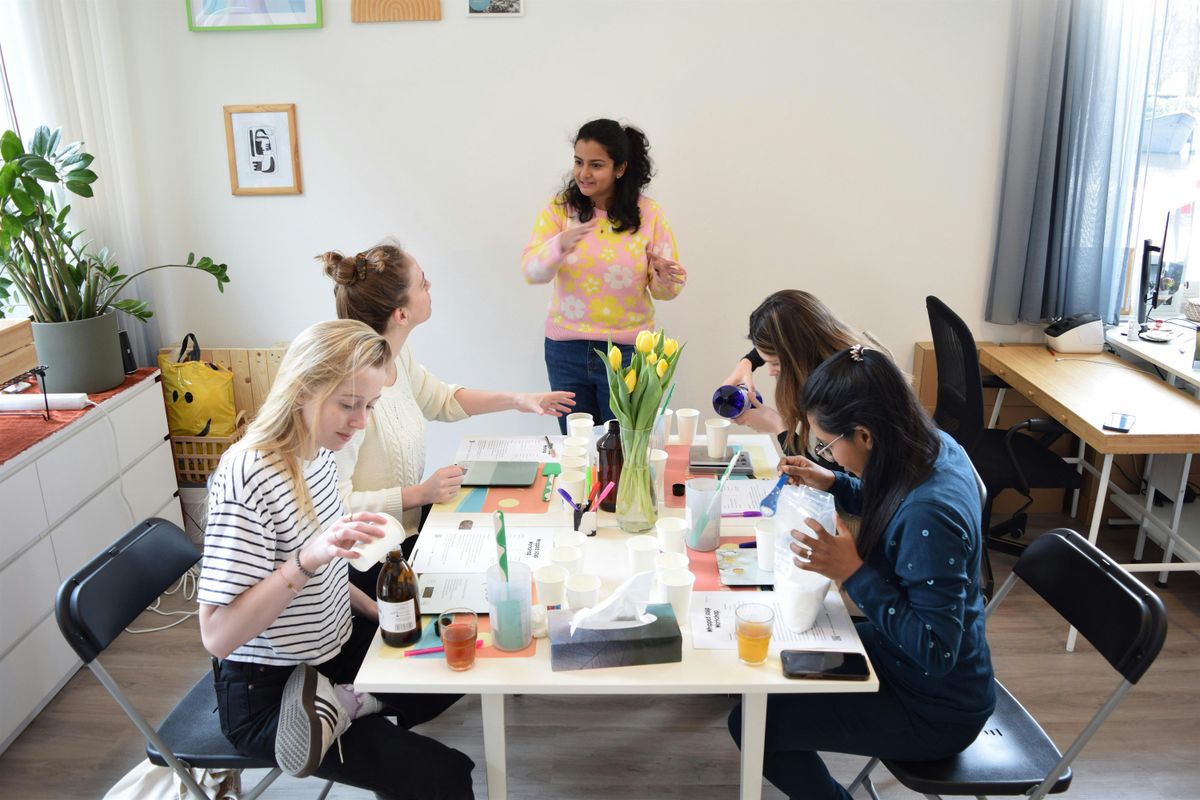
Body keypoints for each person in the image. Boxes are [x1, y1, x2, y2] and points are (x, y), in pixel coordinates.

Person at [198, 319, 475, 799]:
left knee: (458, 656)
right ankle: (339, 703)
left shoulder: (318, 452)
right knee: (442, 777)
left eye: (369, 406)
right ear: (302, 389)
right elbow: (218, 636)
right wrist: (307, 559)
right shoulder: (248, 478)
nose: (360, 421)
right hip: (269, 690)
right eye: (348, 405)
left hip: (332, 645)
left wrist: (383, 614)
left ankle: (348, 703)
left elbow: (324, 570)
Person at [728, 345, 994, 800]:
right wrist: (833, 481)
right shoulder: (929, 447)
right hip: (901, 658)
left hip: (933, 706)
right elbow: (885, 496)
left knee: (754, 723)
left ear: (866, 435)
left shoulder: (931, 515)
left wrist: (852, 572)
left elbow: (936, 652)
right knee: (770, 655)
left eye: (829, 446)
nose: (827, 454)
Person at [322, 242, 575, 541]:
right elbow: (335, 507)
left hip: (406, 533)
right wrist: (420, 494)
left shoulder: (397, 357)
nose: (430, 285)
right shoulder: (349, 395)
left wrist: (519, 400)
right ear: (401, 315)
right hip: (367, 555)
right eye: (421, 282)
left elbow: (441, 400)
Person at [522, 118, 687, 432]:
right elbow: (533, 271)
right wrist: (559, 245)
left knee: (625, 451)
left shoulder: (649, 214)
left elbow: (668, 292)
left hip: (627, 353)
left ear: (620, 169)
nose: (584, 173)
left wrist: (664, 276)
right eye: (578, 162)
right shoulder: (559, 210)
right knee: (577, 450)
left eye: (596, 165)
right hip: (565, 353)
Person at [721, 290, 884, 456]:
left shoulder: (841, 391)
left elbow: (825, 476)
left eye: (776, 363)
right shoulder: (849, 355)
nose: (770, 372)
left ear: (799, 352)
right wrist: (748, 362)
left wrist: (777, 426)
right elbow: (784, 337)